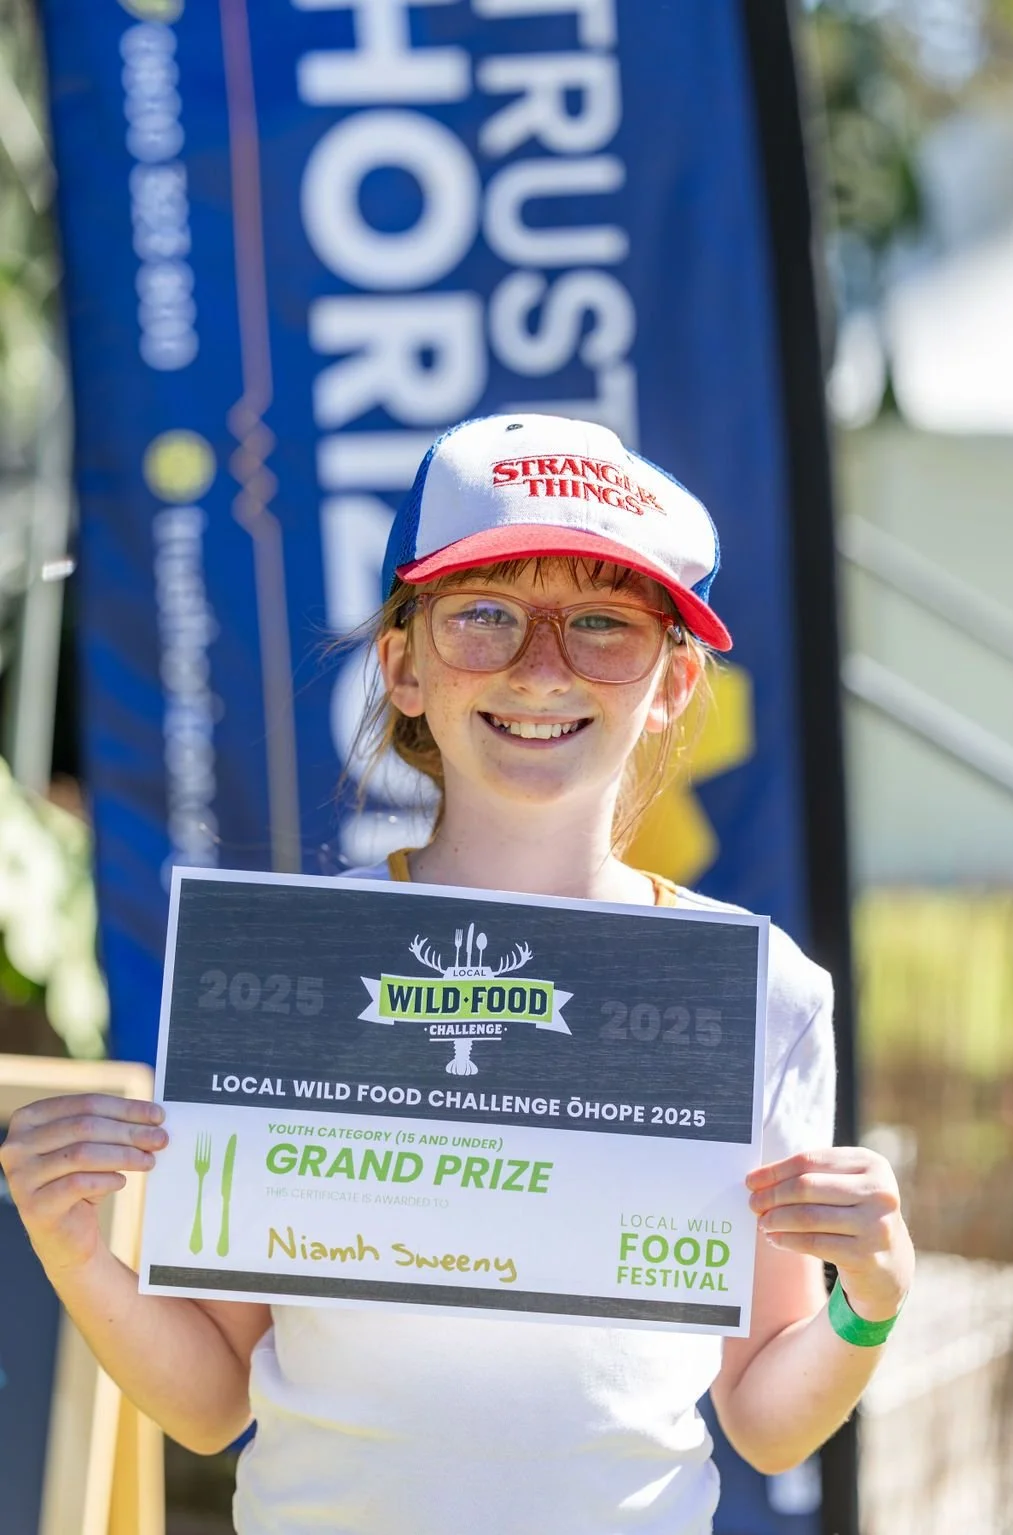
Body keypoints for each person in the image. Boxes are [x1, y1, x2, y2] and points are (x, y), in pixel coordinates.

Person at [1, 414, 914, 1535]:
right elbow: (209, 1398)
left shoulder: (760, 990)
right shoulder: (293, 969)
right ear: (404, 664)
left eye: (601, 624)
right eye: (484, 615)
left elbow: (767, 1414)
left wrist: (870, 1301)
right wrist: (77, 1251)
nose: (541, 667)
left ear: (673, 685)